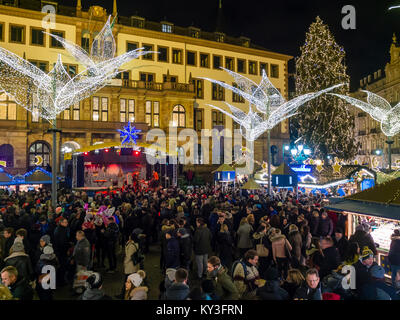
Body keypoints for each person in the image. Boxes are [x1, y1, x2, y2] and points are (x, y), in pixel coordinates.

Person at [53, 217, 71, 285]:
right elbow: (62, 242)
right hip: (61, 252)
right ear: (61, 223)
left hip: (60, 251)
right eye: (65, 222)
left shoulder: (60, 229)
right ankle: (61, 281)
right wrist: (68, 247)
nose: (67, 223)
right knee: (62, 266)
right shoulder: (61, 230)